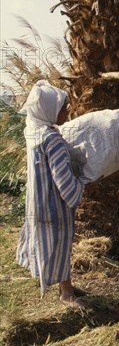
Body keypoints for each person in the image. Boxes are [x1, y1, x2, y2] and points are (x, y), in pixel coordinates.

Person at [16, 80, 86, 309]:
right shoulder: (51, 138)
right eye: (62, 108)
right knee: (59, 244)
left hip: (37, 201)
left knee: (46, 242)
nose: (66, 112)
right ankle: (66, 293)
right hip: (54, 203)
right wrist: (81, 183)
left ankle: (63, 285)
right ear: (48, 109)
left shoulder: (32, 131)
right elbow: (63, 180)